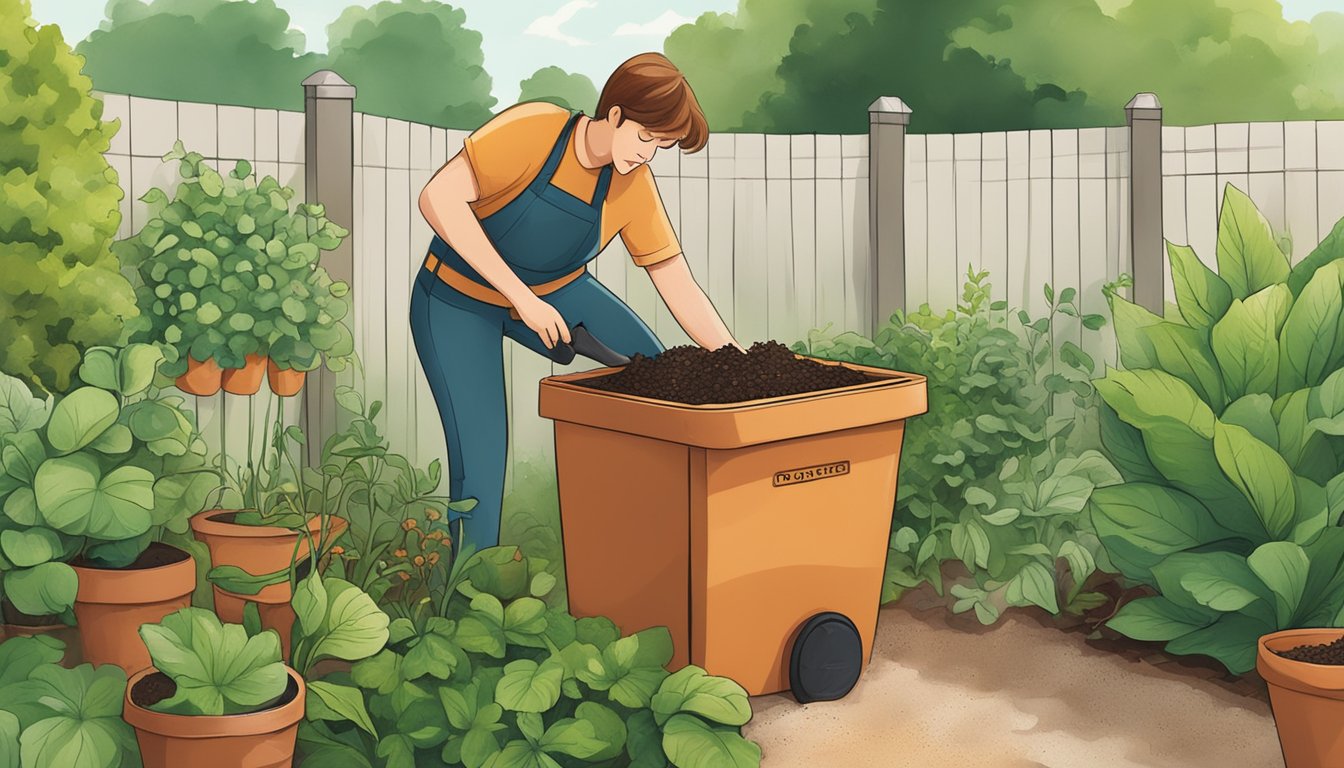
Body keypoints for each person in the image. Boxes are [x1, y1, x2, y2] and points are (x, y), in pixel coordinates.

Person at [411, 52, 745, 552]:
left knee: (657, 370)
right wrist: (520, 298)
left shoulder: (630, 184)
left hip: (556, 290)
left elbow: (674, 278)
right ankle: (467, 594)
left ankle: (648, 538)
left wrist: (736, 358)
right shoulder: (535, 130)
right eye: (646, 138)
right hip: (455, 297)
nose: (648, 155)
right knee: (481, 453)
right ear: (614, 115)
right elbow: (437, 198)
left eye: (662, 146)